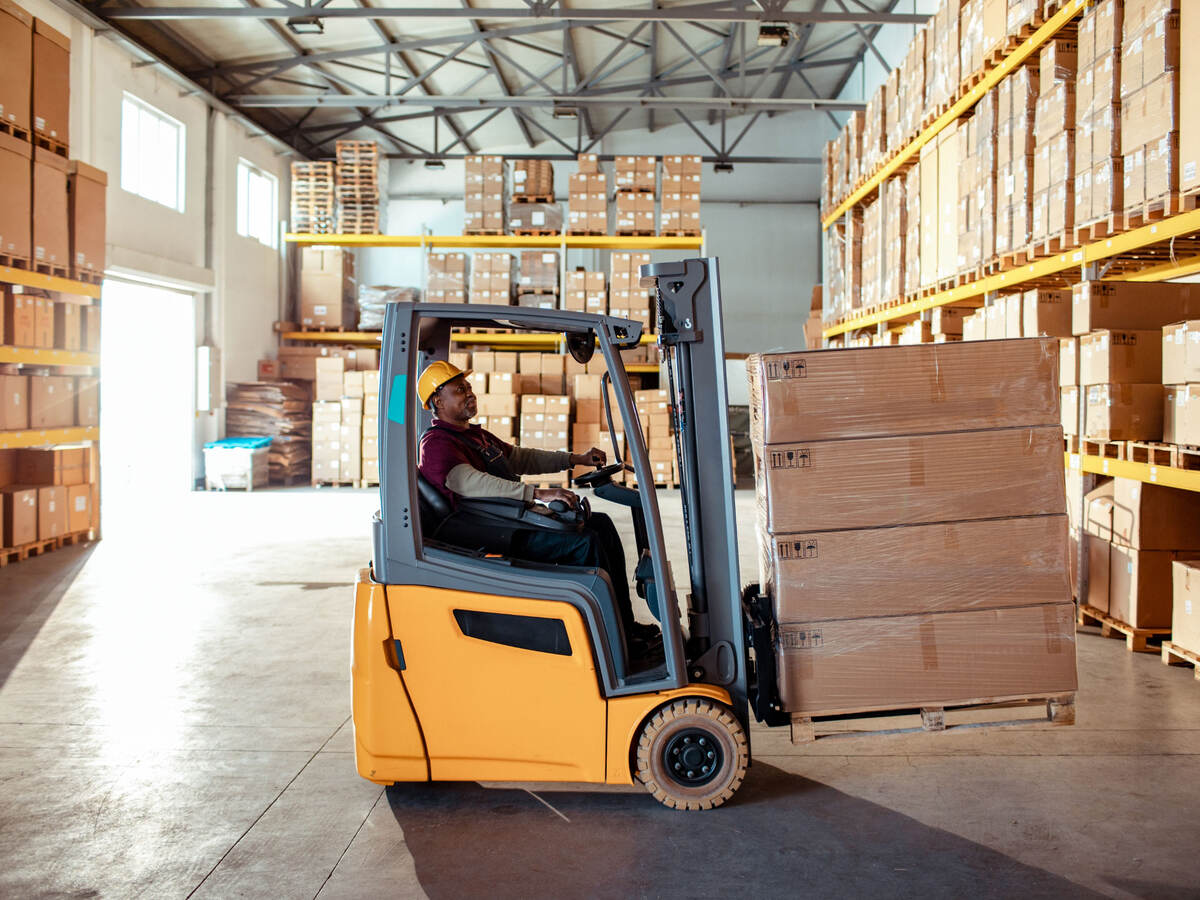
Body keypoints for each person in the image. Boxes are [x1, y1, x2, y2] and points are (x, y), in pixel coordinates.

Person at [415, 360, 658, 647]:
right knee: (584, 542)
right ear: (437, 401)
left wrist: (574, 459)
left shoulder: (473, 435)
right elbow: (468, 482)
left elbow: (520, 457)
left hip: (505, 518)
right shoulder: (435, 444)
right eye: (459, 390)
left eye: (468, 387)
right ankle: (609, 640)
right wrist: (538, 495)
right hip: (487, 531)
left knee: (600, 524)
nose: (469, 393)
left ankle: (624, 625)